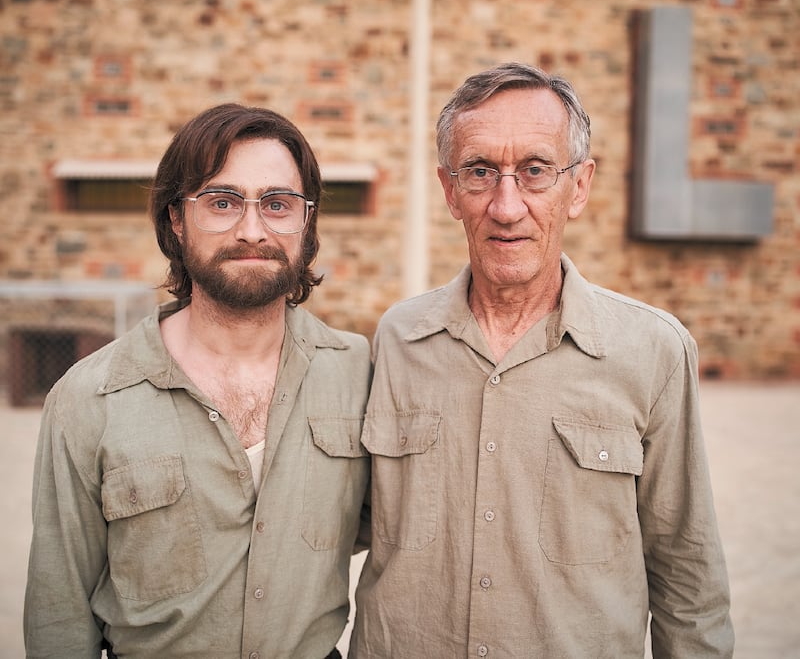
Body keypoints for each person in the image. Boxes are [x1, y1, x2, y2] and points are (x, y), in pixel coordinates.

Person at [350, 62, 734, 657]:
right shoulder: (399, 339)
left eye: (535, 172)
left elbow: (687, 574)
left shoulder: (653, 350)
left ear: (578, 186)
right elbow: (338, 521)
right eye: (480, 172)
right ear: (450, 190)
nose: (507, 206)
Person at [24, 103, 371, 658]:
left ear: (306, 224)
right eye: (222, 202)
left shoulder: (360, 374)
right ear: (175, 220)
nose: (252, 229)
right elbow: (58, 614)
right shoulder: (88, 399)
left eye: (278, 204)